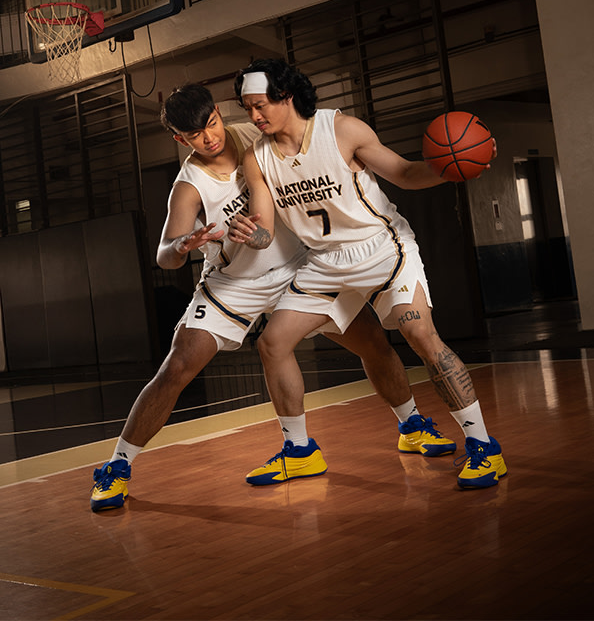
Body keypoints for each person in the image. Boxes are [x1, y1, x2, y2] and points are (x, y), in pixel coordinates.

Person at [90, 83, 454, 510]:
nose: (209, 138)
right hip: (235, 282)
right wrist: (183, 245)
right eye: (195, 136)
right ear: (180, 140)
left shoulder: (254, 136)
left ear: (218, 114)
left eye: (211, 124)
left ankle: (411, 426)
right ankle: (117, 467)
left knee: (371, 341)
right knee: (178, 366)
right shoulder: (187, 187)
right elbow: (164, 255)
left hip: (300, 264)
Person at [229, 58, 507, 490]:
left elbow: (403, 172)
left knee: (420, 336)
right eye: (247, 108)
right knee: (273, 342)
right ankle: (300, 452)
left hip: (382, 248)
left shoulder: (341, 130)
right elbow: (264, 227)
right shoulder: (257, 157)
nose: (254, 116)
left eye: (260, 105)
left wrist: (450, 166)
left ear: (286, 96)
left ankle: (483, 447)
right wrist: (253, 234)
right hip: (326, 261)